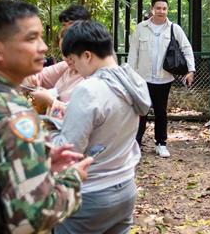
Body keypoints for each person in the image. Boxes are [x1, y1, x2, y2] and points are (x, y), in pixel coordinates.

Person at [0, 0, 92, 232]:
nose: (42, 48)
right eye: (31, 39)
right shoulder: (13, 115)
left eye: (41, 37)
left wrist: (41, 163)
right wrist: (71, 179)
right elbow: (33, 217)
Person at [51, 20, 151, 234]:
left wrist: (45, 132)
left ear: (87, 55)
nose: (74, 67)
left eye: (74, 60)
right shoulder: (134, 81)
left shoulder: (89, 89)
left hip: (90, 195)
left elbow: (68, 150)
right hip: (125, 188)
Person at [128, 0, 195, 158]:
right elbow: (133, 53)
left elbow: (186, 48)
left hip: (164, 78)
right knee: (140, 111)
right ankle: (136, 144)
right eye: (158, 8)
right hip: (142, 78)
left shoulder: (174, 28)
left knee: (161, 111)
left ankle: (161, 143)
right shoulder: (141, 28)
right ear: (152, 9)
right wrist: (130, 75)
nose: (161, 11)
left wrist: (191, 70)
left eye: (164, 8)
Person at [23, 4, 91, 116]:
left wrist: (50, 101)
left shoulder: (93, 79)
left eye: (72, 26)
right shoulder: (67, 67)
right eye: (64, 26)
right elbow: (39, 76)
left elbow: (79, 119)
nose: (68, 31)